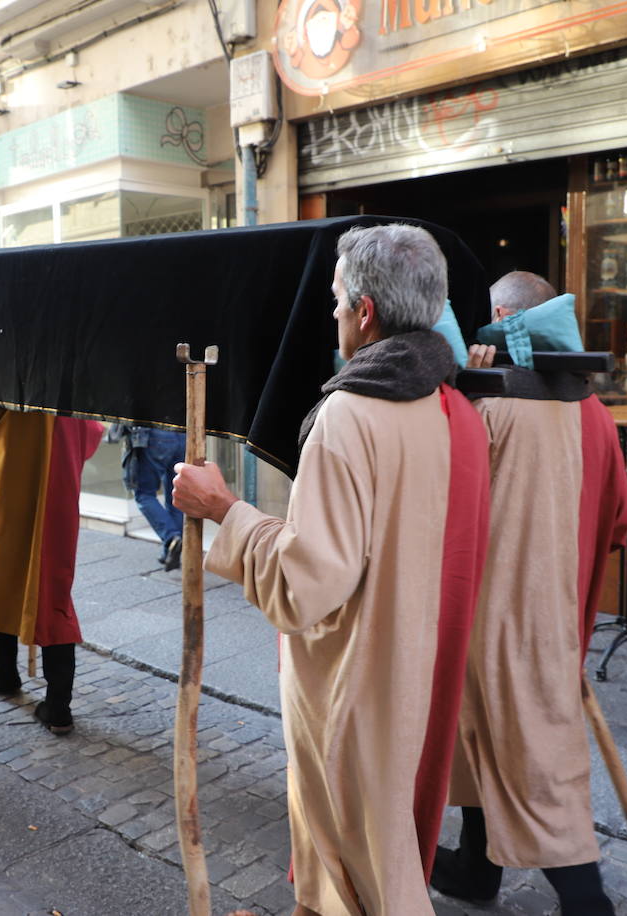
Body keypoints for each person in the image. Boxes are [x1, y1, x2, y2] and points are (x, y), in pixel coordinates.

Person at [172, 224, 490, 916]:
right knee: (380, 859)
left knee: (364, 876)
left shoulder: (349, 415)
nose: (334, 314)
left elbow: (307, 584)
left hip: (358, 689)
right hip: (425, 675)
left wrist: (225, 509)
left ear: (366, 312)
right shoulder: (457, 408)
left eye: (337, 300)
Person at [432, 271, 627, 915]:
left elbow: (443, 497)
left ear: (498, 316)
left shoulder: (484, 406)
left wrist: (459, 391)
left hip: (496, 612)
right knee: (482, 737)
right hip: (562, 611)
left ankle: (586, 902)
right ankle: (476, 867)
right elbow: (619, 521)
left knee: (534, 756)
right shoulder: (595, 413)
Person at [0, 403, 103, 735]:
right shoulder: (69, 366)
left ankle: (6, 673)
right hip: (58, 489)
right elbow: (92, 434)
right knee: (52, 587)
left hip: (8, 487)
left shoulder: (4, 361)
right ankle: (56, 703)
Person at [120, 425, 186, 570]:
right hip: (182, 434)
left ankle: (171, 538)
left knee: (143, 494)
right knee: (175, 495)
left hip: (155, 432)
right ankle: (169, 551)